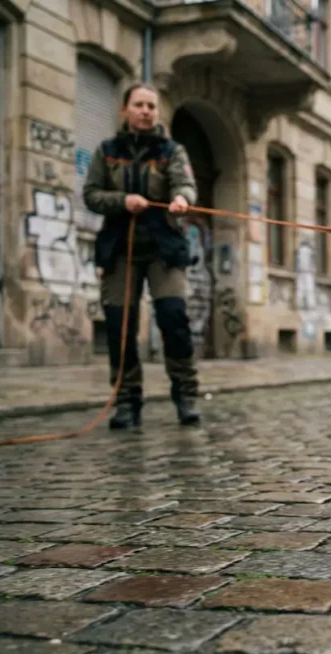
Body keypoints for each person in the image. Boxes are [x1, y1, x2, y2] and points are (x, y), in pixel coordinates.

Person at [83, 82, 202, 429]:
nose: (146, 111)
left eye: (152, 105)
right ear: (126, 110)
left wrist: (181, 200)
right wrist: (122, 201)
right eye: (139, 104)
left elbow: (185, 185)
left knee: (174, 320)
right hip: (119, 249)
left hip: (165, 250)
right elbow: (91, 194)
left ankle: (186, 395)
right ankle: (126, 401)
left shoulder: (171, 151)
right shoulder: (106, 151)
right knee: (120, 327)